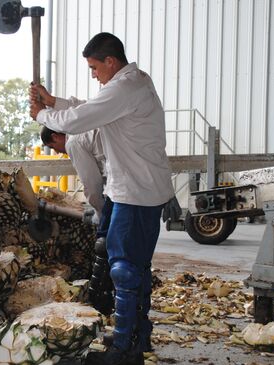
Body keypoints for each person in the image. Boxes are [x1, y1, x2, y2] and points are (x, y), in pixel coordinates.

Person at [29, 32, 178, 365]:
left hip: (135, 191)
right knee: (132, 266)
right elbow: (87, 108)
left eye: (95, 67)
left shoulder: (125, 88)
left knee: (125, 268)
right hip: (135, 188)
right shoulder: (131, 84)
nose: (93, 74)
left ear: (111, 61)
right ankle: (135, 336)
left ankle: (124, 351)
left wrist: (42, 114)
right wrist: (53, 102)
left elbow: (79, 119)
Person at [40, 126, 115, 315]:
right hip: (126, 186)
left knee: (103, 247)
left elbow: (91, 183)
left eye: (56, 147)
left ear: (57, 136)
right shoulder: (87, 131)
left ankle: (101, 305)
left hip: (116, 192)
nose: (59, 152)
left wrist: (99, 211)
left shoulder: (73, 142)